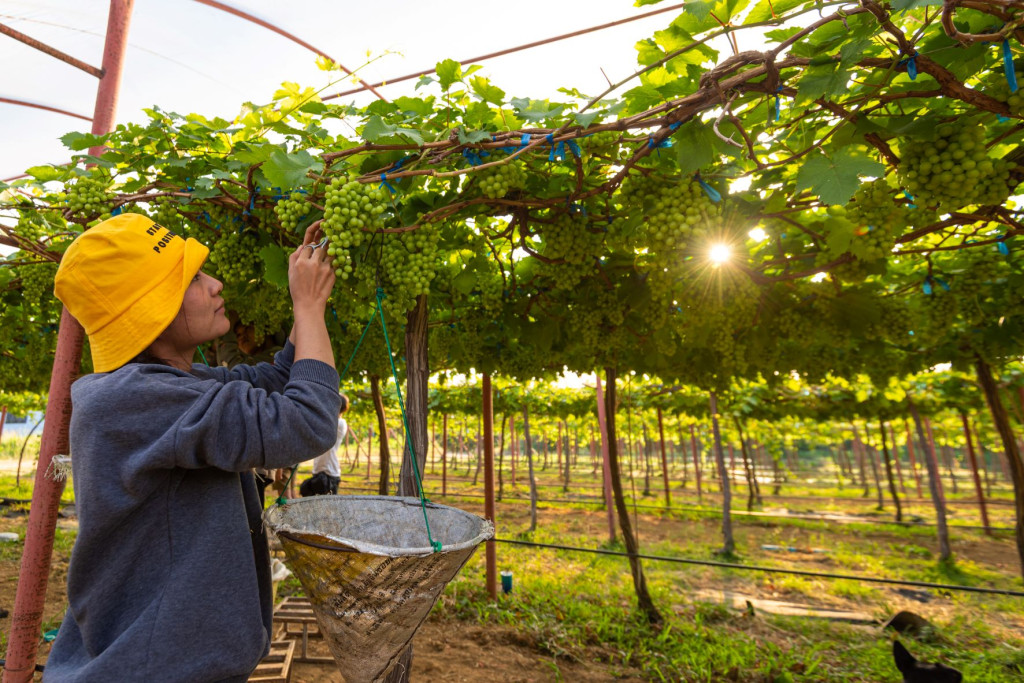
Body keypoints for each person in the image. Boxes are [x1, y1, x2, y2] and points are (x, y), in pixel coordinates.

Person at [45, 213, 340, 682]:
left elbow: (277, 379)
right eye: (195, 279)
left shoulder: (167, 387)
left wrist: (309, 296)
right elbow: (305, 424)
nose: (217, 284)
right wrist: (307, 308)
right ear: (152, 310)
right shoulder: (134, 401)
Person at [300, 394, 349, 497]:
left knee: (330, 508)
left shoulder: (340, 423)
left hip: (330, 473)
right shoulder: (326, 422)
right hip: (318, 470)